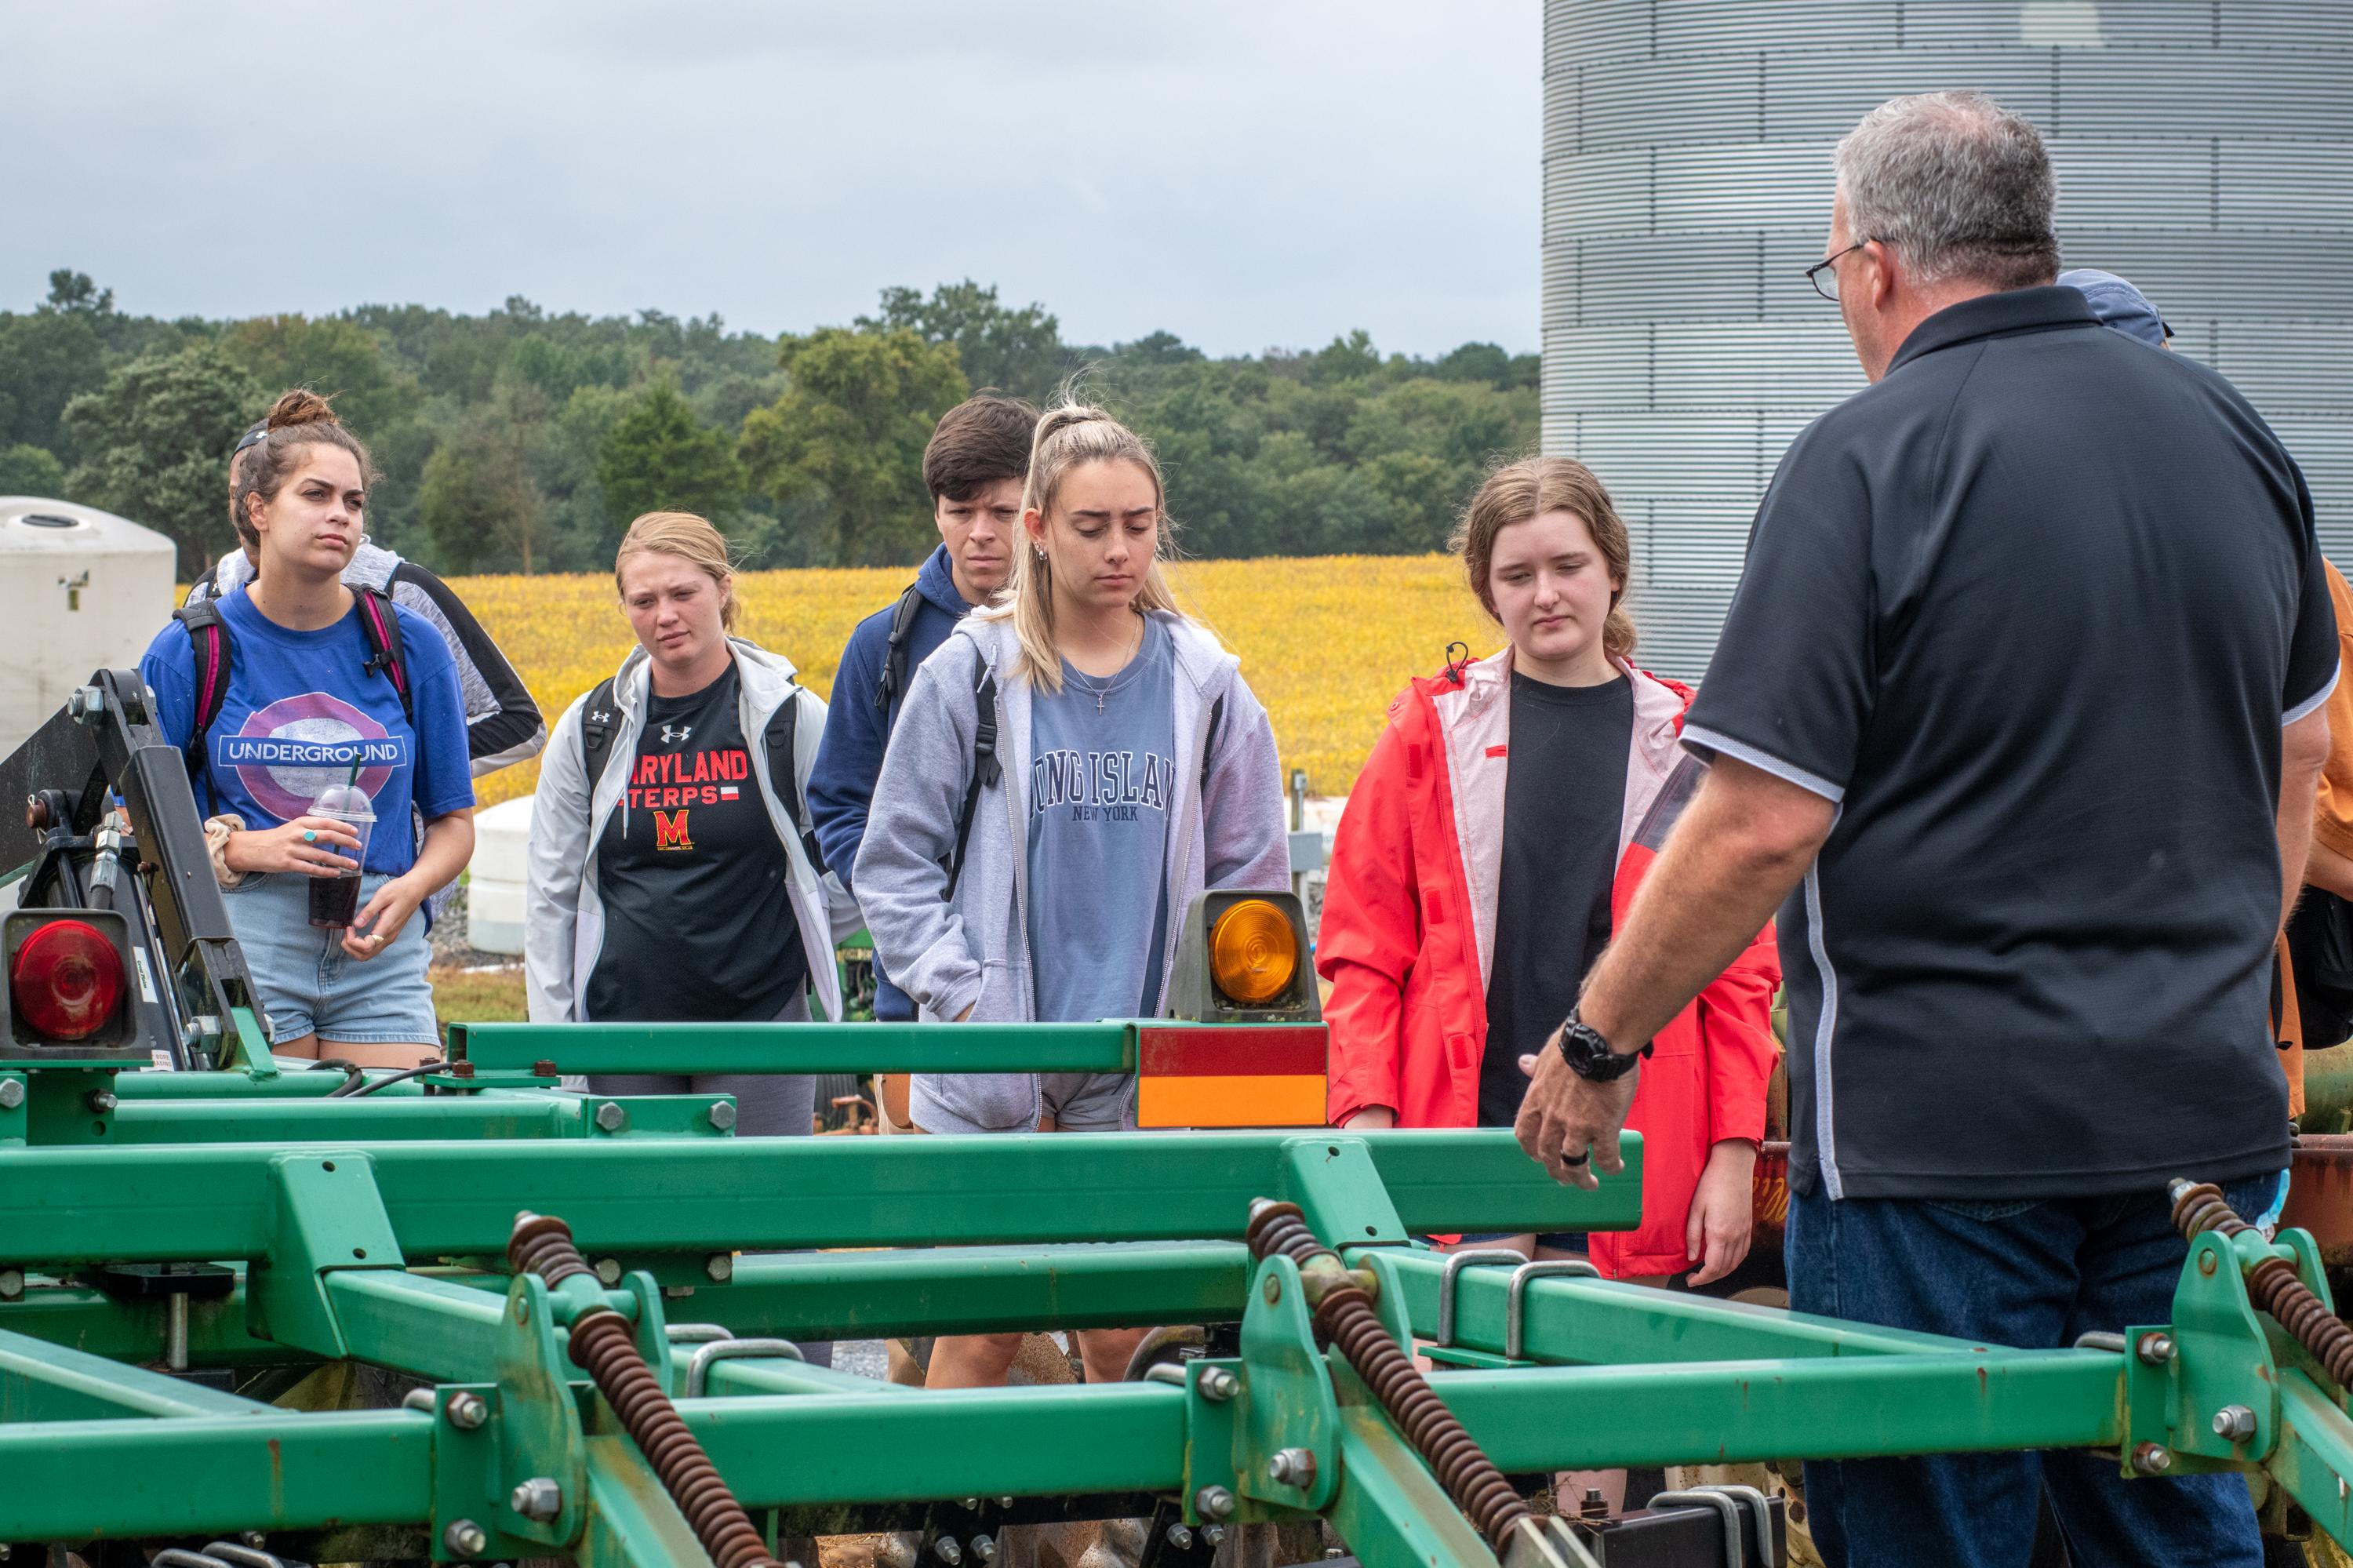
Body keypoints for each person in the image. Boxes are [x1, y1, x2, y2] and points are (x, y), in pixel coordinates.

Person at [1511, 92, 2334, 1568]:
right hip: (2195, 1124)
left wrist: (1596, 1041)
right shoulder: (2236, 438)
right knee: (2173, 1511)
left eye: (1831, 275)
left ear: (1878, 264)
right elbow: (2300, 753)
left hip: (1936, 1145)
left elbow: (1759, 820)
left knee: (1933, 1522)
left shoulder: (1867, 460)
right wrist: (2208, 981)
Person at [855, 402, 1289, 1389]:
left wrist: (1222, 1037)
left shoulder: (1206, 683)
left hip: (1138, 1054)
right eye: (1092, 527)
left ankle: (1127, 1539)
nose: (1119, 549)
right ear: (1039, 530)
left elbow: (1251, 875)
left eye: (1138, 524)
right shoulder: (971, 671)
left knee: (1129, 1323)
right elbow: (894, 862)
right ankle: (943, 1527)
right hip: (996, 1046)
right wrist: (964, 996)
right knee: (986, 1320)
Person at [1318, 455, 1779, 1288]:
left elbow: (1739, 977)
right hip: (1462, 1140)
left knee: (1604, 1404)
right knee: (1456, 1401)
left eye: (1567, 566)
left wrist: (1733, 1157)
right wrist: (1366, 1126)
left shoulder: (1686, 749)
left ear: (1612, 568)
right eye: (1517, 575)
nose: (1546, 595)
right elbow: (1364, 949)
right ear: (1487, 591)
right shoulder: (1431, 735)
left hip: (1634, 1147)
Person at [141, 391, 476, 1069]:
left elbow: (453, 822)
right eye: (317, 495)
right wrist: (246, 850)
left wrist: (412, 890)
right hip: (244, 935)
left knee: (397, 1144)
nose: (340, 515)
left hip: (379, 936)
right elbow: (143, 823)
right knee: (267, 1147)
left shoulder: (410, 643)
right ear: (258, 510)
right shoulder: (188, 650)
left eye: (353, 502)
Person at [523, 511, 859, 1134]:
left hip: (760, 1023)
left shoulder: (788, 717)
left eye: (683, 593)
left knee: (772, 1218)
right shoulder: (592, 727)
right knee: (651, 1227)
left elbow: (856, 854)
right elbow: (551, 892)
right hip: (623, 1033)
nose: (665, 615)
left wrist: (796, 932)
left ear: (723, 589)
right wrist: (558, 1044)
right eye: (643, 600)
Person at [809, 393, 1035, 1040]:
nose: (981, 532)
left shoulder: (1089, 638)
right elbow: (841, 802)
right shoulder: (884, 644)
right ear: (936, 511)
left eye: (1002, 511)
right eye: (960, 512)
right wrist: (907, 907)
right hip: (914, 1002)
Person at [190, 420, 545, 780]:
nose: (241, 515)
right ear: (255, 506)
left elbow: (519, 722)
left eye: (351, 501)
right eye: (236, 494)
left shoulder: (401, 592)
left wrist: (388, 771)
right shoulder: (210, 597)